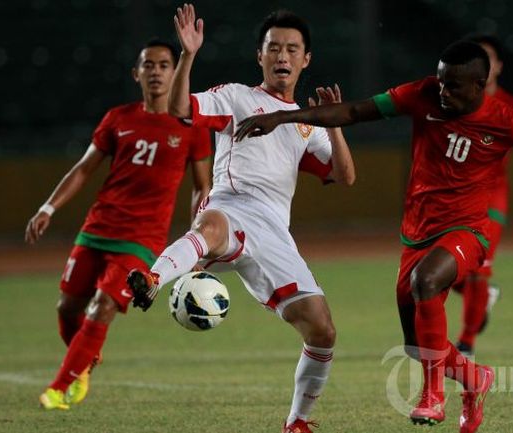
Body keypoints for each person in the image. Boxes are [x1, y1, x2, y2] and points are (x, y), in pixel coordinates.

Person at [234, 40, 513, 433]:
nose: (443, 91)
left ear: (479, 85)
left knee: (426, 281)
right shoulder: (422, 94)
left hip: (469, 231)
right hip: (417, 234)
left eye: (453, 86)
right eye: (441, 82)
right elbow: (356, 110)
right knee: (417, 344)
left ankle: (432, 395)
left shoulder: (508, 120)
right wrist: (283, 118)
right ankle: (475, 380)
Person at [125, 5, 355, 433]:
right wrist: (188, 55)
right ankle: (154, 279)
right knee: (209, 226)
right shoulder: (236, 96)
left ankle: (298, 423)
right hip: (230, 206)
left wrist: (334, 122)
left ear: (305, 60)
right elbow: (180, 109)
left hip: (273, 232)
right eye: (273, 48)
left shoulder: (307, 123)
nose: (282, 55)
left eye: (292, 49)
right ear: (260, 56)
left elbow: (346, 176)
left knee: (322, 330)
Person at [25, 39, 213, 410]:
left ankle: (61, 386)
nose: (156, 71)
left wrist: (198, 239)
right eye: (149, 65)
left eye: (163, 65)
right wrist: (49, 206)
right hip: (98, 228)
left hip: (142, 239)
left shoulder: (191, 126)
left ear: (175, 73)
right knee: (67, 308)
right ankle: (85, 363)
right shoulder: (119, 118)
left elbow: (202, 186)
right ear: (136, 73)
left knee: (103, 306)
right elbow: (84, 169)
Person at [453, 34, 513, 357]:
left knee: (479, 268)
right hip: (454, 200)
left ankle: (466, 344)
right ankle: (482, 295)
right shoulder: (455, 101)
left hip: (492, 200)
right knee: (437, 269)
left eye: (488, 58)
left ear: (498, 67)